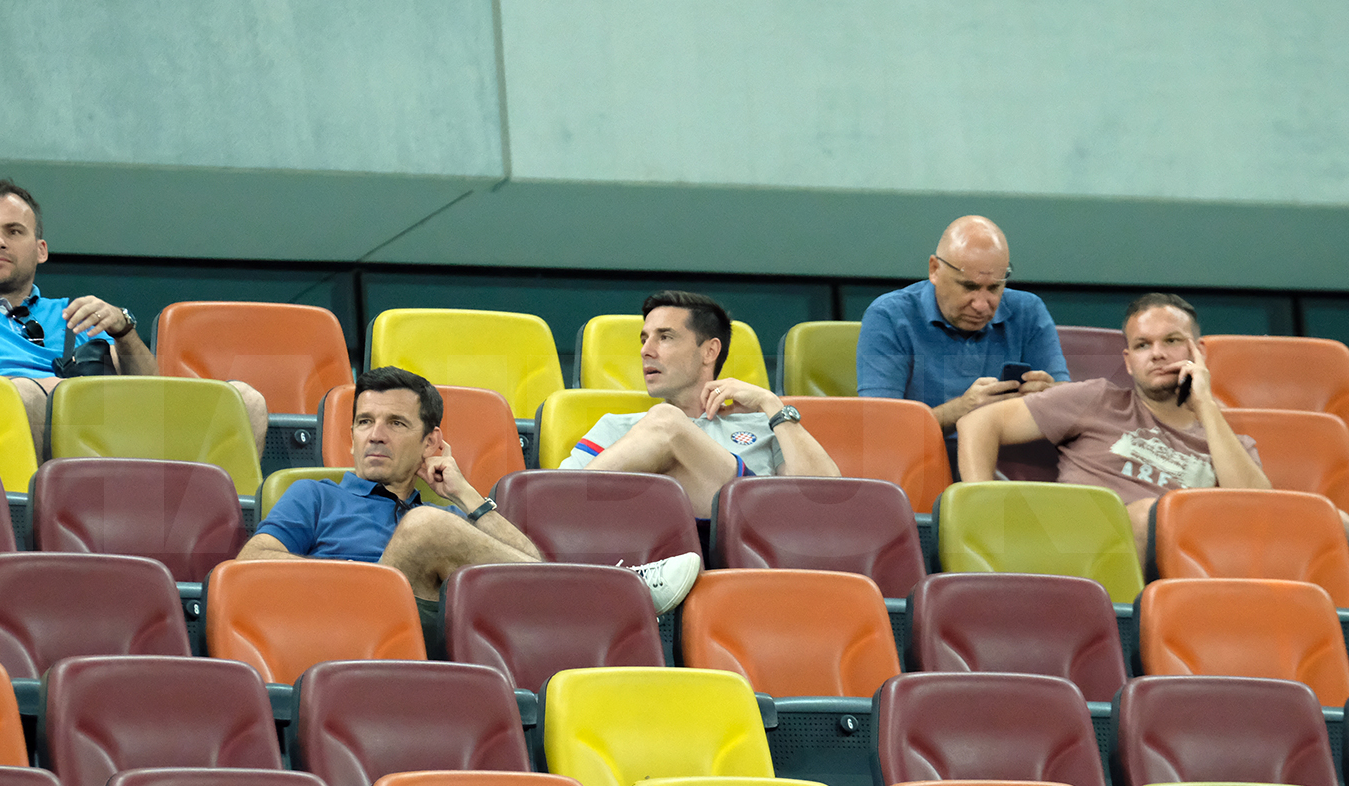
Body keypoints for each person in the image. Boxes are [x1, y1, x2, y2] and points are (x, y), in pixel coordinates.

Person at [237, 366, 702, 655]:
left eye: (395, 423)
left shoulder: (450, 522)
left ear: (430, 441)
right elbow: (252, 562)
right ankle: (614, 592)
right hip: (349, 629)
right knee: (423, 529)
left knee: (435, 532)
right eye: (363, 422)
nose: (374, 435)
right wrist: (359, 582)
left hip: (435, 638)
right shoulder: (315, 496)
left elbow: (532, 566)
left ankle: (605, 593)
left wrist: (464, 494)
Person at [0, 178, 268, 454]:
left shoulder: (76, 312)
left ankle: (222, 534)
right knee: (26, 395)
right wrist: (24, 390)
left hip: (102, 431)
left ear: (41, 250)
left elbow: (151, 394)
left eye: (13, 231)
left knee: (244, 400)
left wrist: (124, 330)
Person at [956, 292, 1270, 563]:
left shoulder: (1228, 444)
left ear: (1198, 352)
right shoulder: (1096, 399)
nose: (1157, 353)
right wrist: (984, 509)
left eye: (1172, 340)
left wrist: (1207, 407)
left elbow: (1261, 515)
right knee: (1150, 515)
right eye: (1143, 345)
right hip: (1078, 552)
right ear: (1129, 360)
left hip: (1177, 568)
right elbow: (978, 422)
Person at [559, 291, 841, 517]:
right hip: (645, 549)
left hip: (744, 534)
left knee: (667, 422)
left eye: (665, 337)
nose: (646, 350)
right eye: (644, 339)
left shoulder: (766, 426)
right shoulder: (616, 426)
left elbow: (826, 497)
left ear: (709, 351)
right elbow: (552, 494)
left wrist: (772, 404)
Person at [857, 215, 1070, 433]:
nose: (981, 305)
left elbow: (1070, 409)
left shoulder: (1028, 311)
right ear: (934, 270)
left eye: (994, 288)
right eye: (969, 287)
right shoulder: (889, 316)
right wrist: (960, 410)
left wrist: (1050, 399)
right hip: (921, 460)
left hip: (1008, 460)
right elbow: (880, 429)